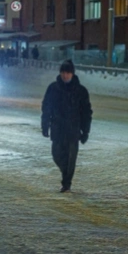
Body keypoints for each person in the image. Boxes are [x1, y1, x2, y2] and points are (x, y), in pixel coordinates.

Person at [41, 59, 93, 193]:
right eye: (63, 72)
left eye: (68, 73)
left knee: (71, 158)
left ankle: (66, 184)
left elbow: (86, 112)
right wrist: (45, 124)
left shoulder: (81, 91)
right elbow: (46, 108)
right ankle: (66, 174)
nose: (65, 75)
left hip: (73, 130)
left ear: (72, 74)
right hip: (57, 128)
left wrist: (85, 131)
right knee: (57, 155)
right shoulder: (53, 88)